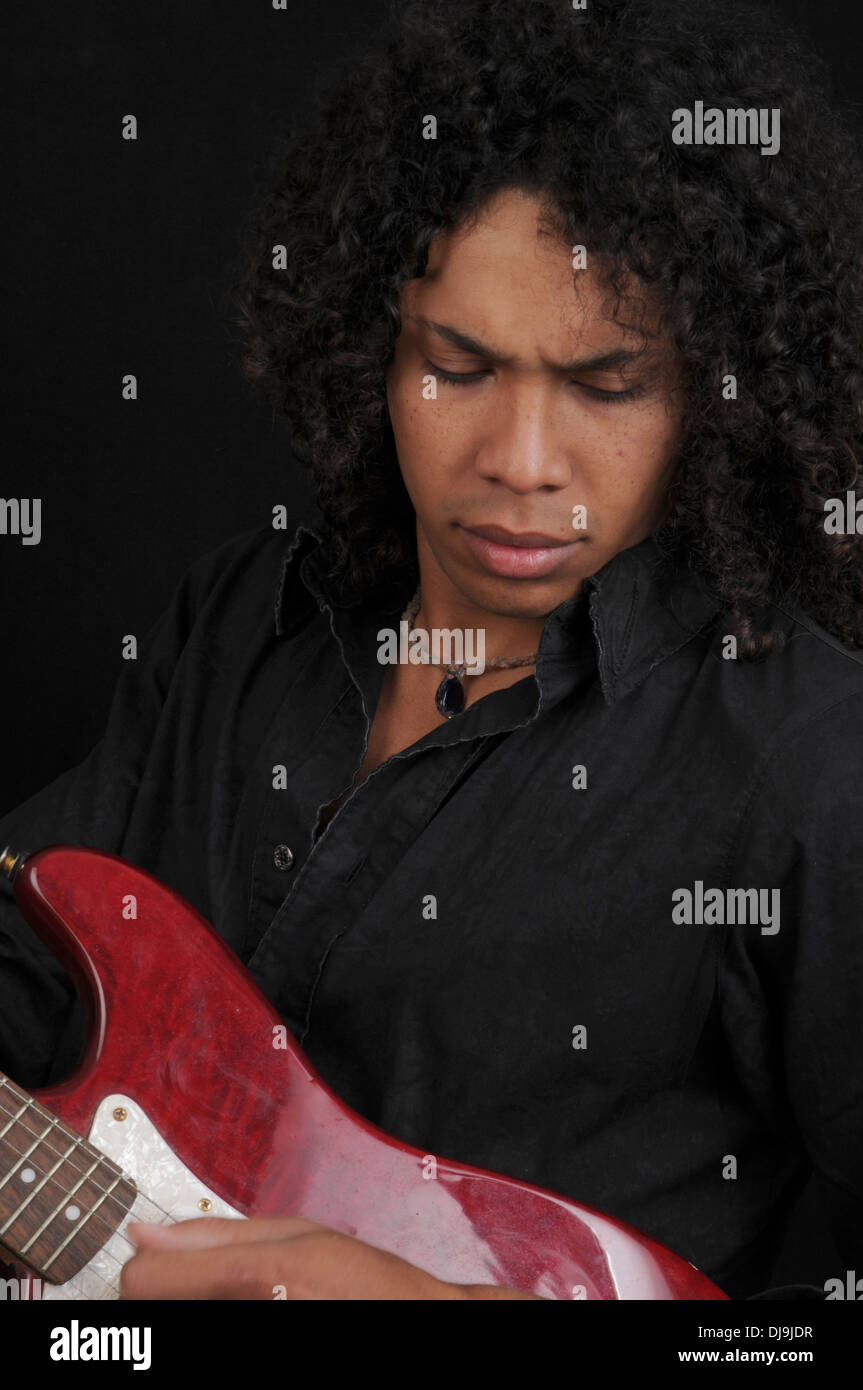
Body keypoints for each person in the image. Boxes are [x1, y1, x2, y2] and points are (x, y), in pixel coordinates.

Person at [2, 0, 863, 1300]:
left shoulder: (814, 769)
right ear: (367, 345)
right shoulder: (241, 619)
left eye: (608, 384)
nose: (520, 463)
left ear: (717, 389)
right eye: (458, 368)